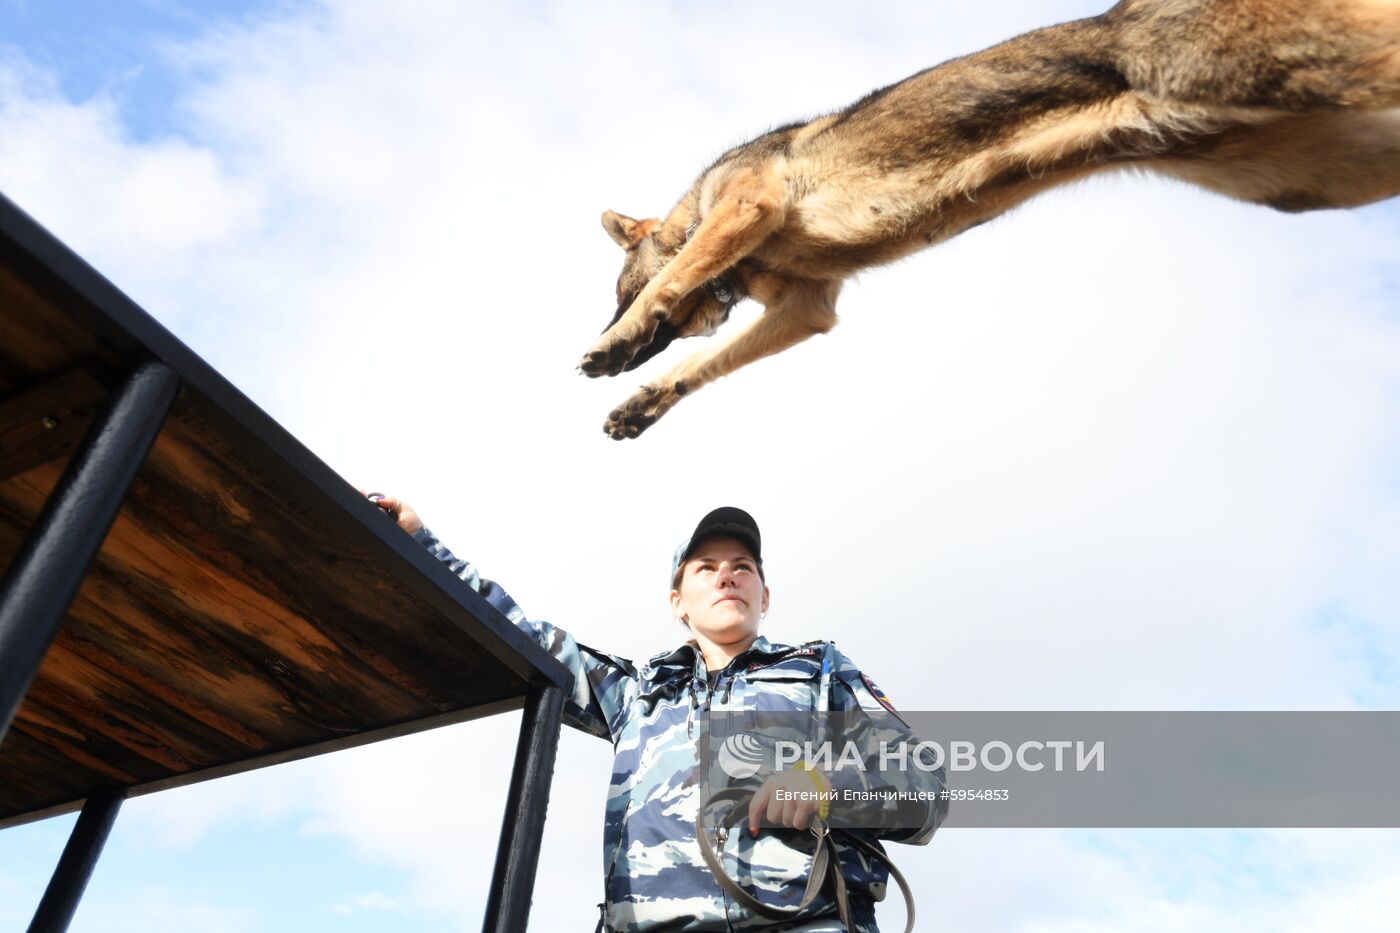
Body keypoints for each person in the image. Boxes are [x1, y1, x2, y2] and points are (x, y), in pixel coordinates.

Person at [368, 496, 945, 932]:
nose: (727, 575)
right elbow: (520, 635)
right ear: (678, 603)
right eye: (705, 567)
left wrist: (826, 785)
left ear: (764, 596)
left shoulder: (820, 673)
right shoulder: (639, 693)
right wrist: (420, 543)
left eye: (743, 566)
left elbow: (930, 783)